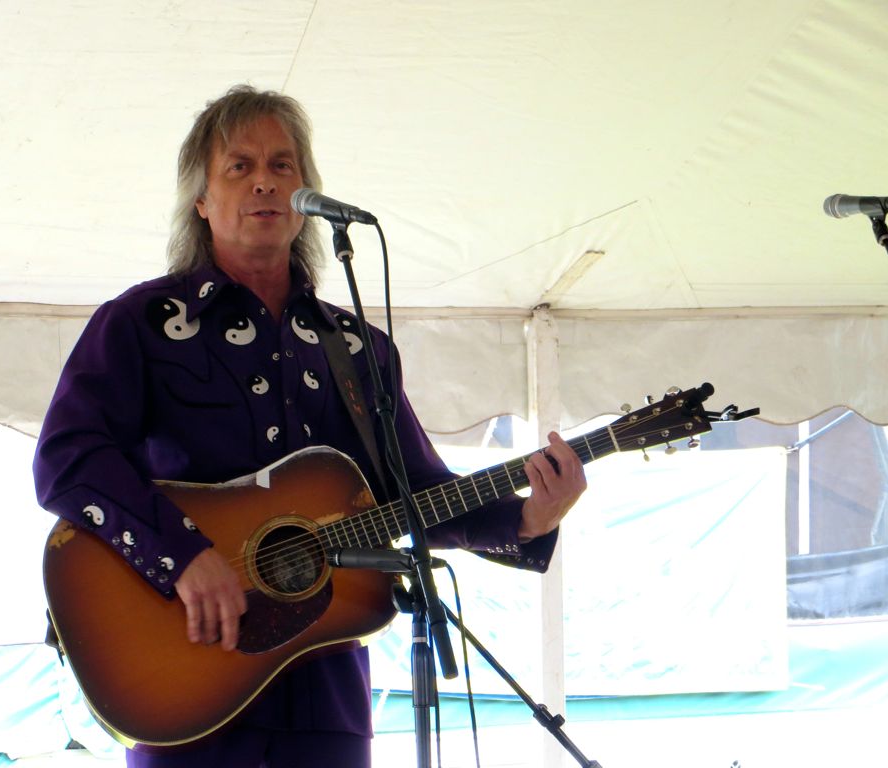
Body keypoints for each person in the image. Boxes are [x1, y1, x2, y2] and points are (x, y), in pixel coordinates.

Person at [33, 84, 587, 768]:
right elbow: (67, 460)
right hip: (186, 671)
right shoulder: (141, 325)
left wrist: (527, 519)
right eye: (240, 166)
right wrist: (182, 557)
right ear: (201, 201)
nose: (265, 181)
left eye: (283, 165)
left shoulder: (358, 349)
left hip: (325, 690)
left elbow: (412, 491)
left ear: (305, 199)